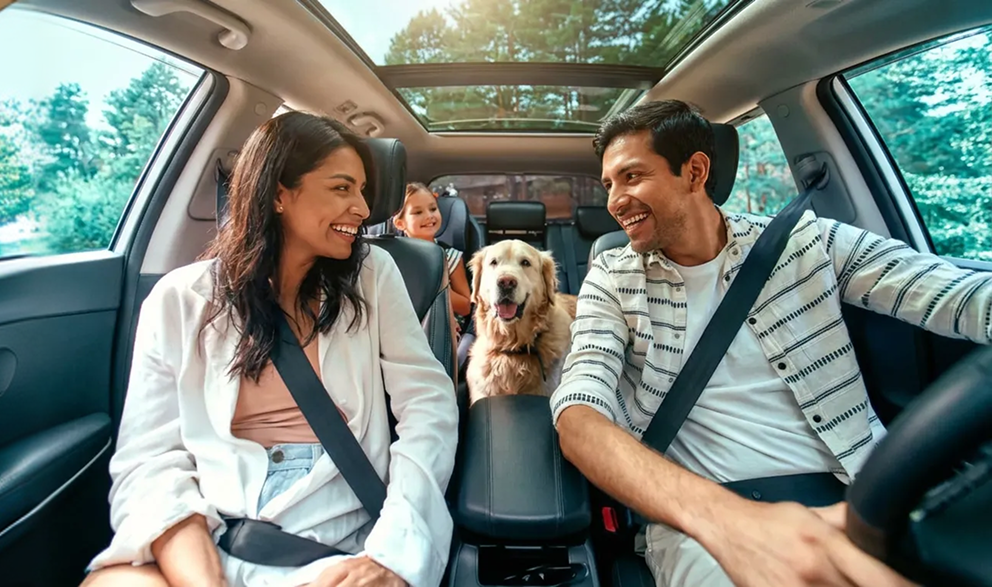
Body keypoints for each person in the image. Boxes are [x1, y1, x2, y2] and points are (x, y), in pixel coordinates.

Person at [551, 99, 992, 587]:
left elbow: (953, 293)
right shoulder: (611, 278)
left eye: (632, 177)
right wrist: (728, 522)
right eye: (609, 184)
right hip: (706, 517)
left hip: (865, 497)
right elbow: (579, 416)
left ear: (694, 171)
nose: (614, 200)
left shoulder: (804, 242)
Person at [82, 112, 458, 587]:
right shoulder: (181, 299)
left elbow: (428, 407)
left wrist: (392, 555)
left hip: (334, 541)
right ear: (279, 193)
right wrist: (204, 578)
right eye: (342, 189)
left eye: (363, 191)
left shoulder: (373, 274)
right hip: (210, 532)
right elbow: (149, 461)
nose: (363, 209)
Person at [391, 182, 475, 370]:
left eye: (433, 209)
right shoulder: (392, 258)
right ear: (399, 222)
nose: (429, 216)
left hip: (444, 327)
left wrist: (437, 290)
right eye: (418, 212)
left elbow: (465, 306)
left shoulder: (450, 256)